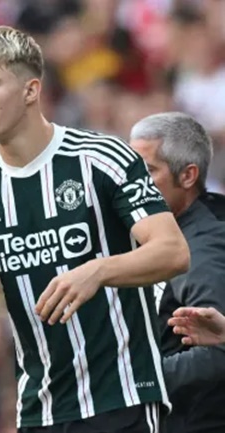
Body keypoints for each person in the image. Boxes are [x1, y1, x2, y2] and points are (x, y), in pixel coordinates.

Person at [0, 26, 190, 433]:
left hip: (123, 398)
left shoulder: (101, 158)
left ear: (31, 91)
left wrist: (97, 270)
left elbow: (173, 251)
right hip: (39, 409)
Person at [130, 112, 225, 433]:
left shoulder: (200, 247)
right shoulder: (169, 229)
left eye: (147, 171)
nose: (132, 184)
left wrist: (132, 382)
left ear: (187, 176)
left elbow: (217, 352)